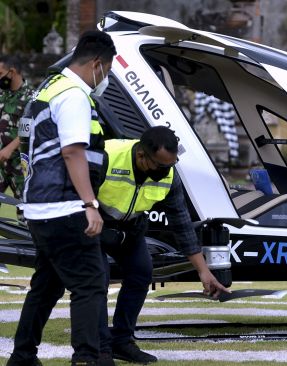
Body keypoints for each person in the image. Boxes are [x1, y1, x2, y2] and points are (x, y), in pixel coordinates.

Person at [8, 31, 116, 366]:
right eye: (108, 70)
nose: (106, 78)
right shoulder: (73, 96)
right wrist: (89, 204)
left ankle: (22, 356)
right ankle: (86, 358)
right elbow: (72, 152)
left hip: (39, 207)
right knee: (90, 285)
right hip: (65, 206)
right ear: (97, 64)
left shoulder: (48, 87)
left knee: (46, 286)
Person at [97, 126, 229, 364]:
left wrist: (203, 270)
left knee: (141, 274)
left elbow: (182, 224)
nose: (166, 171)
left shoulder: (169, 174)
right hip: (94, 224)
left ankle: (121, 341)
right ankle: (99, 348)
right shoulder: (107, 154)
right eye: (161, 165)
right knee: (97, 279)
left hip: (131, 228)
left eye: (171, 165)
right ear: (141, 156)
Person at [0, 55, 34, 221]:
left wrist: (10, 147)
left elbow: (30, 128)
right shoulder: (1, 93)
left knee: (25, 213)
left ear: (12, 72)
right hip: (0, 163)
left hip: (19, 165)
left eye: (0, 73)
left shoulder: (32, 97)